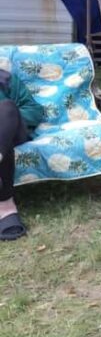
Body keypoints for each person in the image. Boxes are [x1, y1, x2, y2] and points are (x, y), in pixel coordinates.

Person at [0, 68, 44, 240]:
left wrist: (13, 120)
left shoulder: (5, 79)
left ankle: (4, 207)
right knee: (4, 144)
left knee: (7, 108)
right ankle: (5, 205)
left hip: (9, 129)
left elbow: (33, 109)